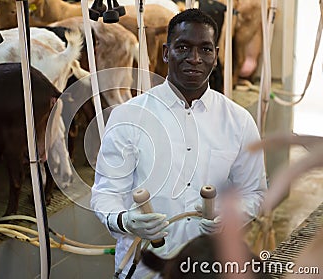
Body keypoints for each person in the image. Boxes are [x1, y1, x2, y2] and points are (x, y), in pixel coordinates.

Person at [91, 8, 267, 278]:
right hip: (144, 268)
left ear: (216, 56)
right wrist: (125, 221)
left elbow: (254, 193)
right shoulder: (129, 116)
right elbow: (106, 193)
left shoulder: (238, 121)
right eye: (183, 47)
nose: (194, 59)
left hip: (209, 268)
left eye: (205, 49)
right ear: (165, 52)